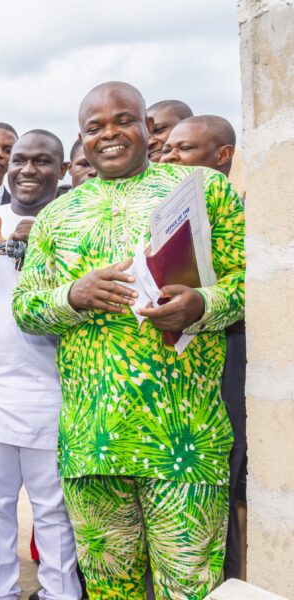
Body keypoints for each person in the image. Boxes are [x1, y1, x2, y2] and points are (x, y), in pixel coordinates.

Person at [13, 81, 245, 599]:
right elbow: (25, 309)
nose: (110, 134)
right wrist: (72, 296)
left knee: (191, 589)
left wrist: (201, 306)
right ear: (82, 138)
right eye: (95, 127)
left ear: (147, 127)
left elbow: (250, 285)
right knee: (108, 590)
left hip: (185, 441)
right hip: (92, 445)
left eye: (124, 120)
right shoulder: (56, 215)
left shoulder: (204, 191)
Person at [0, 131, 81, 600]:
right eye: (20, 160)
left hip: (56, 393)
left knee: (55, 512)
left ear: (63, 171)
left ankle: (59, 594)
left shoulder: (77, 222)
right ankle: (0, 593)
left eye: (43, 161)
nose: (28, 169)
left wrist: (44, 251)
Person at [161, 114, 246, 581]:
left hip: (230, 362)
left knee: (222, 497)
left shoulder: (236, 212)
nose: (169, 157)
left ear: (222, 157)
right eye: (167, 148)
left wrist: (203, 305)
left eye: (183, 149)